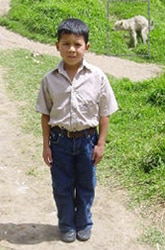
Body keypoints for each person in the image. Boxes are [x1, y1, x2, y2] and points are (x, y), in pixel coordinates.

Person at [36, 18, 118, 243]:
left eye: (77, 44)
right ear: (57, 46)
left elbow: (105, 113)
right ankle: (66, 225)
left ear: (86, 47)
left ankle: (84, 223)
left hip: (86, 141)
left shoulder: (97, 77)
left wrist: (100, 144)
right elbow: (45, 115)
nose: (71, 49)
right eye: (66, 43)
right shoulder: (49, 80)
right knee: (62, 186)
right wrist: (46, 146)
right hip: (59, 141)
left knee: (86, 185)